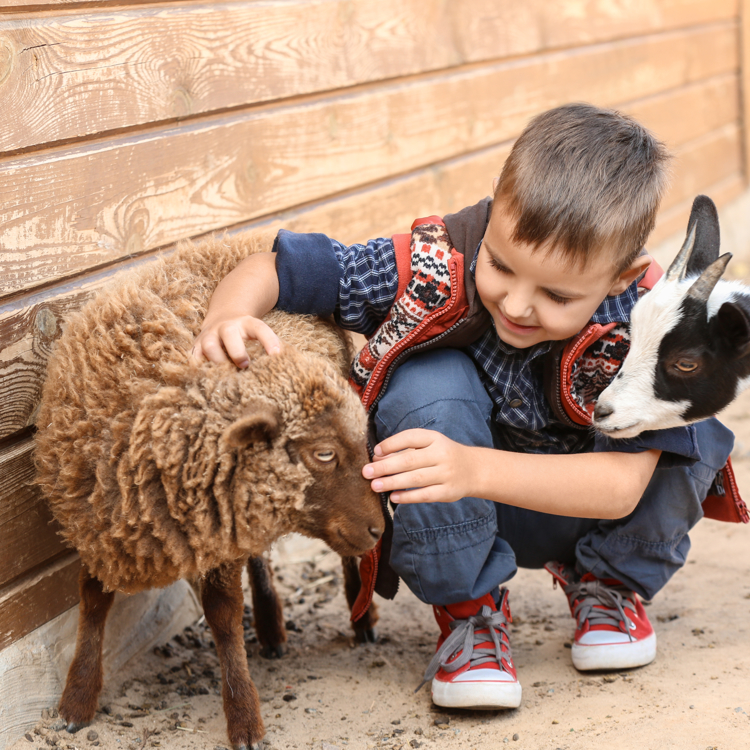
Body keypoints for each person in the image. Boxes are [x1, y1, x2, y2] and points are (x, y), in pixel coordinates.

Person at [192, 103, 736, 710]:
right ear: (495, 210)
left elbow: (619, 489)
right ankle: (469, 613)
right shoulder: (437, 264)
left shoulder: (640, 321)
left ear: (619, 279)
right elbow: (279, 268)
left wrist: (475, 468)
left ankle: (608, 585)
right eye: (502, 265)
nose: (518, 304)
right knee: (426, 375)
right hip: (459, 508)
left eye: (557, 294)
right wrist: (228, 315)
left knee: (692, 426)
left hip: (581, 504)